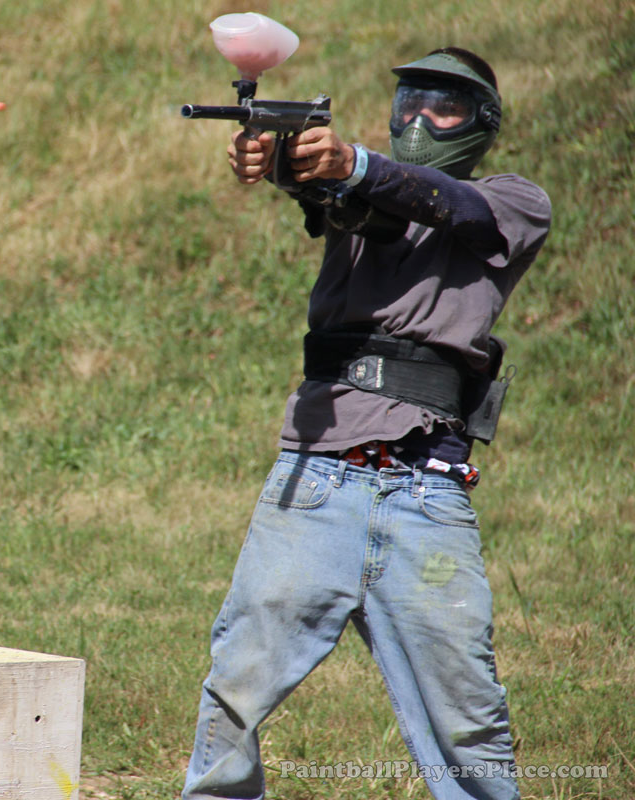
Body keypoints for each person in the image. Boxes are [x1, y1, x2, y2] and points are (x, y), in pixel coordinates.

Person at [182, 48, 551, 800]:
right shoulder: (362, 200)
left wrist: (350, 162)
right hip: (314, 478)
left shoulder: (514, 202)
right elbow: (341, 198)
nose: (421, 117)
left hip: (425, 493)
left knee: (467, 717)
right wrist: (280, 160)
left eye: (444, 106)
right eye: (410, 100)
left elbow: (442, 203)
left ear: (481, 123)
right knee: (236, 689)